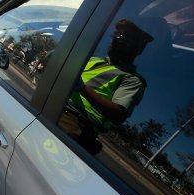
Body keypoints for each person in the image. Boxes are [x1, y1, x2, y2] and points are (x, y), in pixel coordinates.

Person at [60, 18, 154, 154]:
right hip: (56, 103)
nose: (115, 42)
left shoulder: (132, 79)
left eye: (122, 41)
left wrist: (81, 88)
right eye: (115, 36)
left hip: (75, 122)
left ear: (135, 50)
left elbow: (118, 115)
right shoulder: (93, 59)